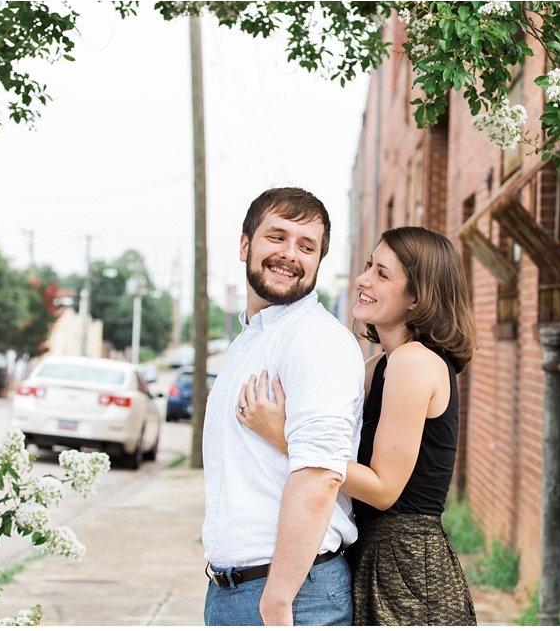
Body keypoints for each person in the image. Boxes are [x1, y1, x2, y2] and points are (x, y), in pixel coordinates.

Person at [239, 226, 478, 625]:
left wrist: (285, 438)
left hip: (406, 569)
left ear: (416, 298)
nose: (362, 279)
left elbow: (384, 490)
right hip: (369, 554)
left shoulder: (414, 362)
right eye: (369, 265)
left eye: (382, 274)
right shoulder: (377, 366)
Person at [201, 187, 365, 626]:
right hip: (237, 592)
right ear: (244, 245)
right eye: (277, 237)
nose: (290, 254)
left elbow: (320, 477)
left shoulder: (315, 340)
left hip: (291, 596)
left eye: (306, 246)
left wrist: (277, 602)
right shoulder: (251, 338)